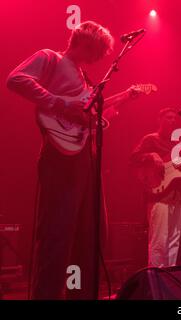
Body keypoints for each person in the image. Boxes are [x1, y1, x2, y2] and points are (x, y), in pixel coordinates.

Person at [6, 21, 119, 299]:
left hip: (84, 159)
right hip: (59, 159)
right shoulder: (50, 57)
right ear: (82, 41)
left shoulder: (85, 78)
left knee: (89, 237)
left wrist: (97, 118)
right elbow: (16, 79)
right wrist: (58, 102)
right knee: (56, 236)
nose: (99, 56)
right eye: (98, 49)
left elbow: (81, 113)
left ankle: (79, 295)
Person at [130, 108, 181, 268]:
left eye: (175, 119)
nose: (173, 121)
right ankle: (156, 279)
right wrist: (151, 155)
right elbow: (133, 158)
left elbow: (179, 169)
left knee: (174, 241)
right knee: (159, 241)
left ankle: (170, 278)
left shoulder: (177, 144)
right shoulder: (150, 139)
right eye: (169, 117)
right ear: (159, 120)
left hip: (176, 195)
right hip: (158, 196)